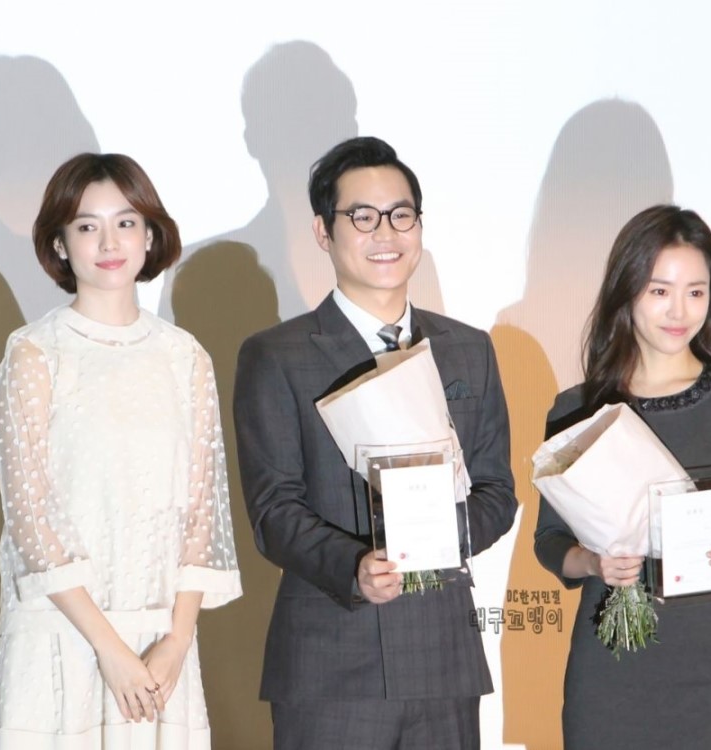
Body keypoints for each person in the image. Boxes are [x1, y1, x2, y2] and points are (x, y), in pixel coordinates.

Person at [233, 136, 517, 750]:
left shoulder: (469, 349)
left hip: (443, 660)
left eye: (400, 215)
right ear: (323, 231)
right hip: (333, 662)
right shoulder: (276, 356)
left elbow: (497, 491)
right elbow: (273, 510)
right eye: (362, 217)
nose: (385, 233)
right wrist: (354, 568)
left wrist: (438, 538)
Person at [0, 153, 242, 749]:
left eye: (125, 222)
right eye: (86, 226)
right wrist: (108, 648)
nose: (109, 242)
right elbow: (31, 521)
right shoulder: (35, 353)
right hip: (62, 635)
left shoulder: (185, 357)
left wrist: (177, 640)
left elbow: (201, 510)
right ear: (60, 244)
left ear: (149, 234)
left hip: (160, 645)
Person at [534, 205, 711, 750]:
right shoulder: (578, 411)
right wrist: (593, 563)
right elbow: (549, 541)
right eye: (660, 290)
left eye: (696, 291)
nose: (679, 310)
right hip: (611, 661)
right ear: (626, 292)